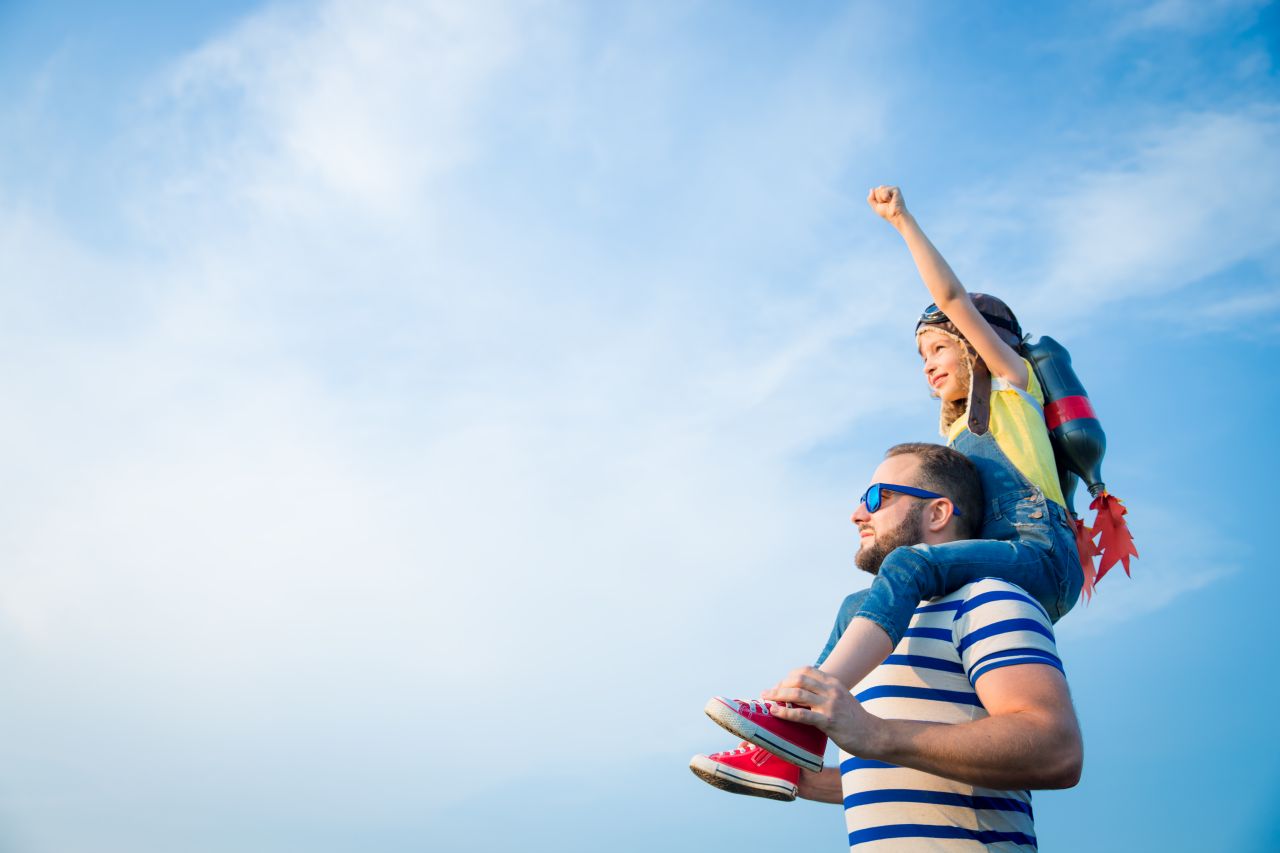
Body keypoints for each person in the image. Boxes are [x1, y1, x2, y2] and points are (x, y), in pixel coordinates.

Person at [693, 185, 1083, 788]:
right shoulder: (954, 426)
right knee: (857, 604)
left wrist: (902, 222)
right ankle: (791, 746)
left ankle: (801, 712)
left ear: (978, 344)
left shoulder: (1011, 385)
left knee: (910, 565)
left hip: (1039, 551)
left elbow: (950, 297)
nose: (927, 362)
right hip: (1007, 556)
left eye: (939, 346)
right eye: (920, 354)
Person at [691, 444, 1083, 853]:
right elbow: (909, 771)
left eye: (879, 497)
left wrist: (874, 733)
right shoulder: (867, 631)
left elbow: (1056, 750)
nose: (858, 514)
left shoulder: (988, 600)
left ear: (938, 513)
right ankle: (790, 743)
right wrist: (805, 779)